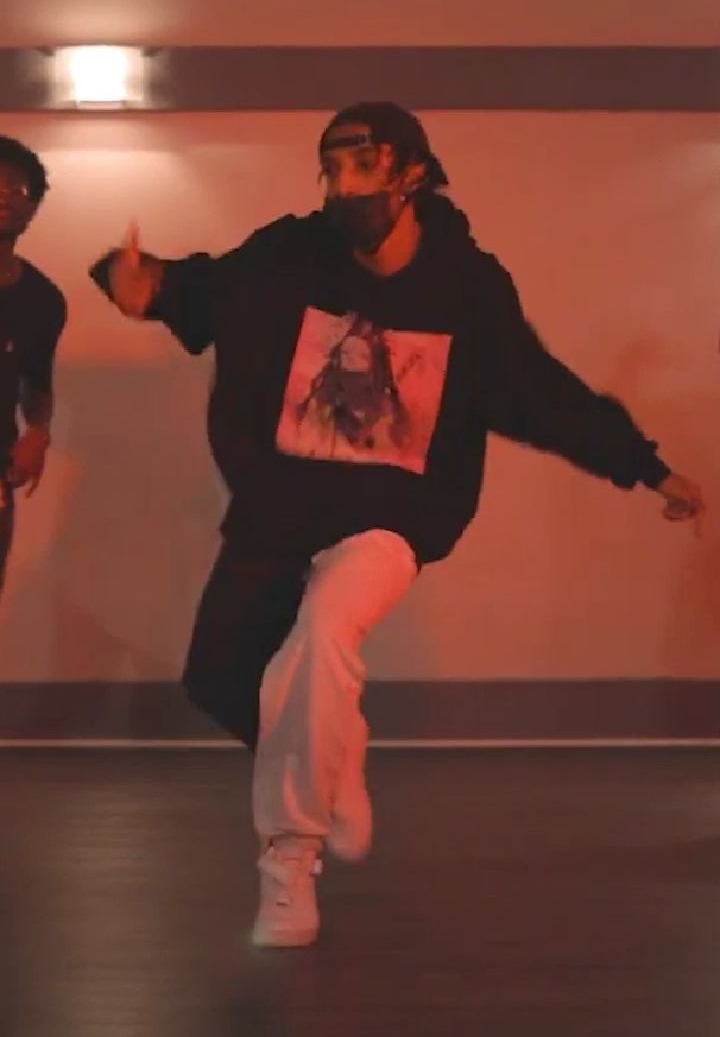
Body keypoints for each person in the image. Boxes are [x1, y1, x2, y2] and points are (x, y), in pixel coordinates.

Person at [89, 102, 704, 949]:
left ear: (411, 173)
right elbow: (203, 290)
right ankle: (335, 755)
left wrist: (645, 465)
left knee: (323, 632)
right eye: (330, 170)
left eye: (362, 167)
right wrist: (137, 284)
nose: (343, 188)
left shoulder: (466, 286)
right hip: (283, 507)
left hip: (390, 516)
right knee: (217, 677)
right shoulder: (289, 253)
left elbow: (538, 390)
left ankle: (289, 861)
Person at [0, 136, 66, 594]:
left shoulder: (42, 300)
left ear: (33, 208)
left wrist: (38, 433)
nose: (5, 196)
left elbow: (37, 383)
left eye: (17, 189)